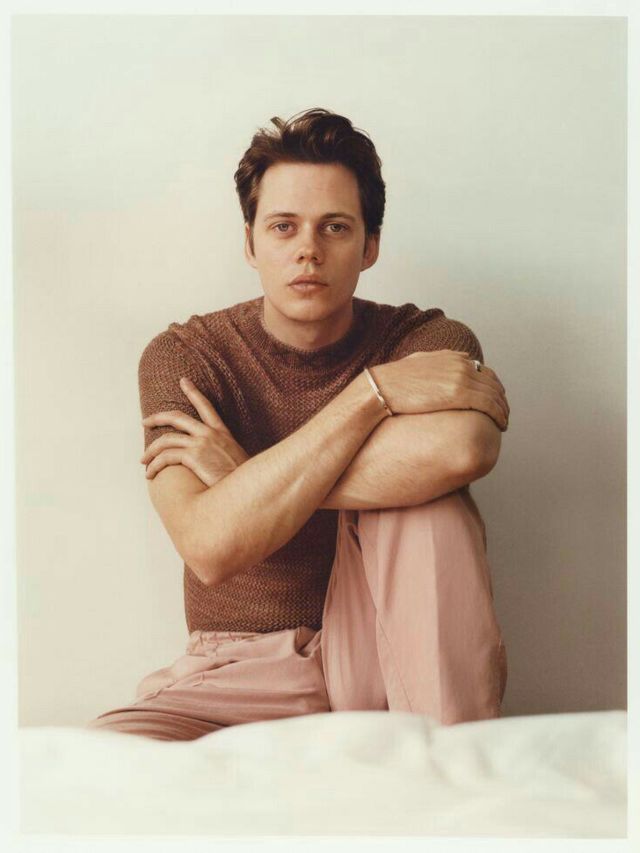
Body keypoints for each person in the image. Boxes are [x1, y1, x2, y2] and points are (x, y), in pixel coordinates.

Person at [86, 107, 510, 742]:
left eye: (335, 227)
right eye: (283, 227)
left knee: (430, 504)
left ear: (369, 246)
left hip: (387, 652)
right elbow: (209, 546)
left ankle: (453, 767)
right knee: (96, 762)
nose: (308, 249)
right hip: (237, 670)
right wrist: (372, 396)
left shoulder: (423, 341)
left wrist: (247, 479)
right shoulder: (186, 357)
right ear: (251, 243)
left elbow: (463, 448)